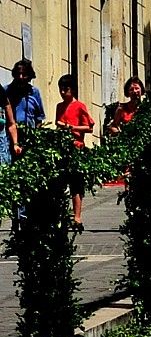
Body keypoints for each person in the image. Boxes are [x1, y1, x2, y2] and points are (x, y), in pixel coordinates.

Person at [54, 75, 94, 230]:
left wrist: (70, 127)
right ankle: (63, 215)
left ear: (73, 90)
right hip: (63, 149)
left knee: (76, 185)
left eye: (66, 89)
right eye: (61, 89)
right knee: (61, 183)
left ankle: (77, 217)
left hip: (77, 148)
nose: (63, 92)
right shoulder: (59, 106)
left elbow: (89, 127)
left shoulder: (79, 106)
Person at [8, 60, 43, 153]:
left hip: (28, 141)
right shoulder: (6, 92)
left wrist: (33, 137)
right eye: (18, 74)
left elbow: (39, 119)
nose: (21, 77)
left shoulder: (34, 93)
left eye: (24, 75)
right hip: (9, 140)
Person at [103, 75, 143, 145]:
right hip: (126, 144)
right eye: (131, 89)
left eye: (137, 88)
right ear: (127, 92)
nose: (134, 91)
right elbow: (114, 126)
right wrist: (117, 132)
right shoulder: (121, 109)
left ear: (141, 89)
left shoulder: (146, 108)